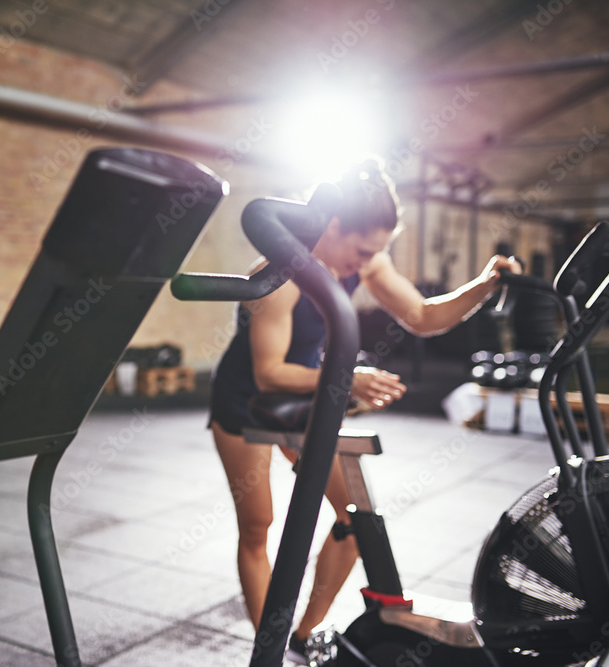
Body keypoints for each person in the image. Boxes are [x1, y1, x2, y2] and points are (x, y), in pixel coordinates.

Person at [208, 159, 521, 665]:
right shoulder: (280, 276)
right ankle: (267, 647)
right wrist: (347, 377)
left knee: (357, 521)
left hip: (307, 402)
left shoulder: (363, 262)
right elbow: (269, 373)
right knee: (258, 526)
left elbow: (421, 316)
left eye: (377, 252)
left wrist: (484, 283)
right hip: (243, 402)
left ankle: (302, 636)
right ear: (333, 226)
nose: (368, 262)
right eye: (362, 249)